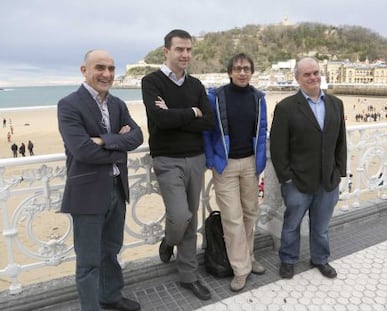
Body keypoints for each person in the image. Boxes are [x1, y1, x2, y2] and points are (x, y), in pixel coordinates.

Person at [57, 49, 143, 311]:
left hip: (117, 189)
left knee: (111, 251)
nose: (106, 74)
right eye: (100, 68)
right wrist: (119, 146)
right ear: (85, 70)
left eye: (111, 69)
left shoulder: (118, 104)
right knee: (88, 261)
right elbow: (82, 150)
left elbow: (138, 136)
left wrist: (105, 140)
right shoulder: (69, 105)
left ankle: (111, 296)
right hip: (87, 193)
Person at [141, 29, 215, 301]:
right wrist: (191, 113)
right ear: (166, 51)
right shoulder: (152, 82)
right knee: (180, 215)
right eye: (179, 50)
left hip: (196, 158)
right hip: (167, 159)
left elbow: (208, 120)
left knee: (191, 217)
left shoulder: (196, 85)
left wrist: (176, 114)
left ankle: (189, 276)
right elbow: (161, 121)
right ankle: (168, 241)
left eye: (188, 50)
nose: (185, 55)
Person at [269, 57, 347, 280]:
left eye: (315, 73)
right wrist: (287, 179)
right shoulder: (286, 108)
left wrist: (339, 172)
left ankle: (320, 259)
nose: (313, 77)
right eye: (307, 74)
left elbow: (341, 141)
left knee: (321, 227)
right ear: (297, 79)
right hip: (297, 182)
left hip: (328, 180)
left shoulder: (335, 104)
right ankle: (288, 260)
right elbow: (278, 147)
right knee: (291, 225)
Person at [203, 53, 267, 292]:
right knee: (232, 217)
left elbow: (262, 131)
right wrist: (211, 159)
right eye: (238, 68)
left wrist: (260, 160)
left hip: (251, 163)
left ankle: (248, 257)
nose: (242, 72)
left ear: (252, 72)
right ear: (230, 72)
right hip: (225, 165)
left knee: (250, 212)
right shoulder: (216, 97)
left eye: (246, 68)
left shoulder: (259, 98)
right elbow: (207, 132)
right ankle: (240, 269)